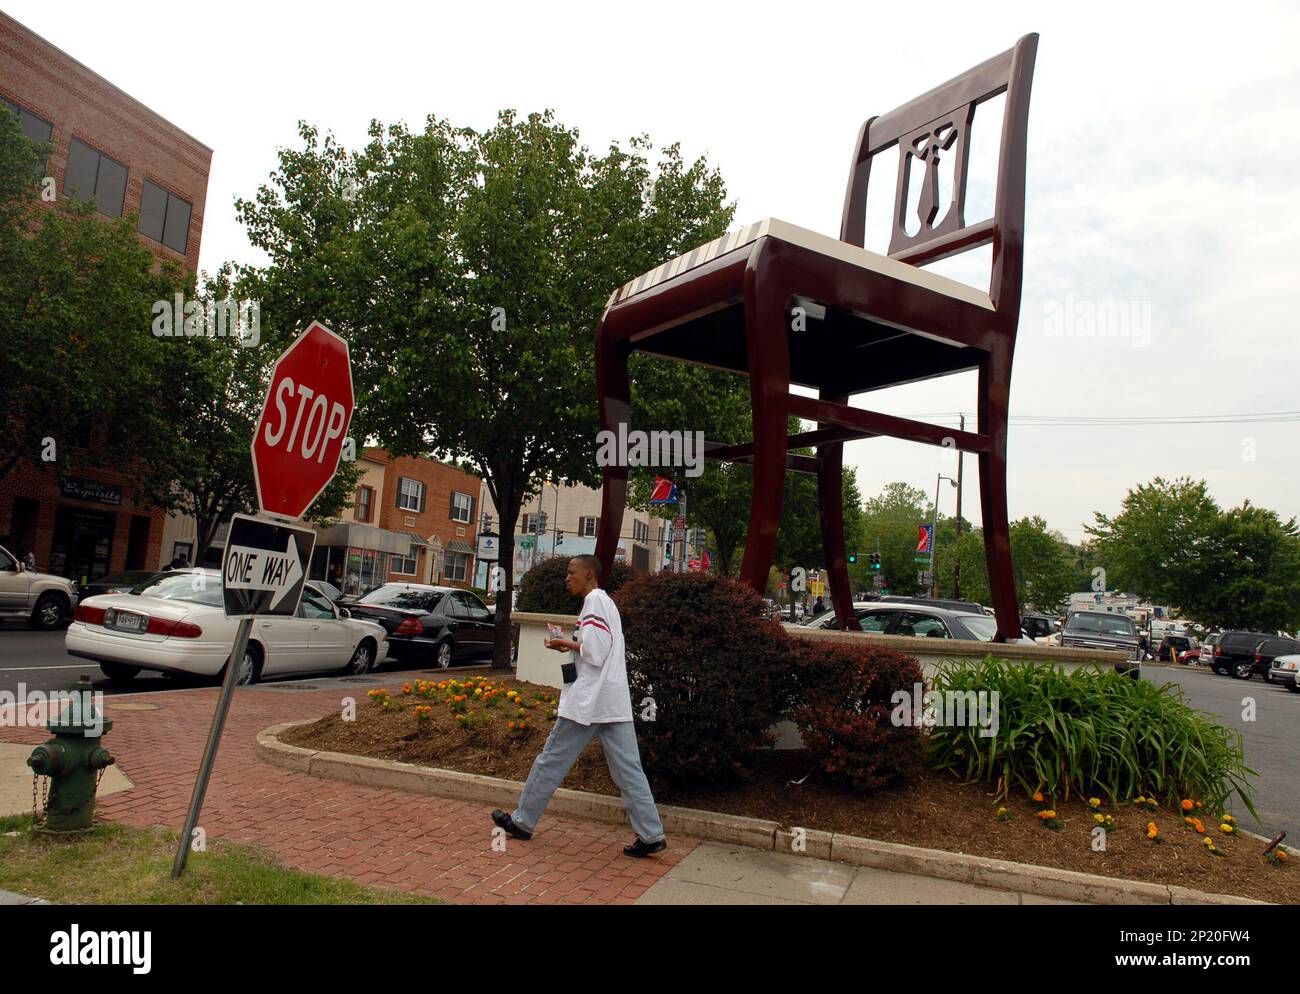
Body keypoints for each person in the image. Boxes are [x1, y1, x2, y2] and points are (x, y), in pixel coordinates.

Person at [492, 554, 667, 858]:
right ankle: (651, 834)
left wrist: (565, 645)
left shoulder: (595, 602)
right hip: (612, 703)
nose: (567, 578)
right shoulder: (604, 603)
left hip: (588, 704)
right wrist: (571, 642)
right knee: (629, 772)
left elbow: (595, 653)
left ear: (589, 574)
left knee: (550, 761)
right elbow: (598, 648)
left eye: (572, 572)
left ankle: (522, 822)